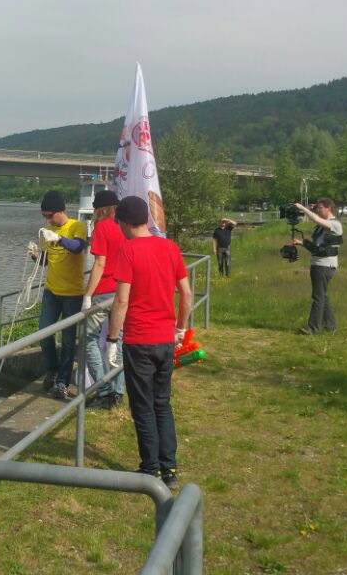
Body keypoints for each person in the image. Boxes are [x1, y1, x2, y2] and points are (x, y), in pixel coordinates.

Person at [107, 195, 193, 489]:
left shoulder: (127, 251)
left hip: (139, 340)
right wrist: (180, 328)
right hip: (165, 340)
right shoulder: (170, 247)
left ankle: (150, 468)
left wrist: (111, 338)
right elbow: (186, 293)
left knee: (142, 406)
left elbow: (121, 301)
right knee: (162, 404)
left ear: (124, 222)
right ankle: (170, 468)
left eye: (118, 222)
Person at [34, 190, 88, 400]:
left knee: (68, 341)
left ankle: (62, 382)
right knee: (44, 334)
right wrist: (35, 256)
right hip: (51, 291)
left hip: (72, 294)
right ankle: (53, 370)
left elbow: (77, 247)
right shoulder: (47, 231)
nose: (47, 220)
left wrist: (59, 238)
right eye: (44, 217)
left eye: (49, 216)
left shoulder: (77, 226)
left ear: (60, 211)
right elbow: (46, 261)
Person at [80, 190, 126, 409]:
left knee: (88, 338)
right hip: (123, 290)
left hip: (104, 291)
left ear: (101, 210)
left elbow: (100, 263)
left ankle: (103, 390)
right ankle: (118, 391)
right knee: (117, 341)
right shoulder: (126, 227)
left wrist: (87, 295)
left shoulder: (102, 227)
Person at [289, 198, 343, 334]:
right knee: (323, 296)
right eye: (317, 208)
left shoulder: (335, 224)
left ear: (328, 208)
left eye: (320, 208)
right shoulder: (321, 227)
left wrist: (302, 208)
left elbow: (316, 219)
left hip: (324, 265)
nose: (317, 211)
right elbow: (318, 247)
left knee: (318, 297)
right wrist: (302, 243)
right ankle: (331, 326)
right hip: (319, 264)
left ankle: (313, 328)